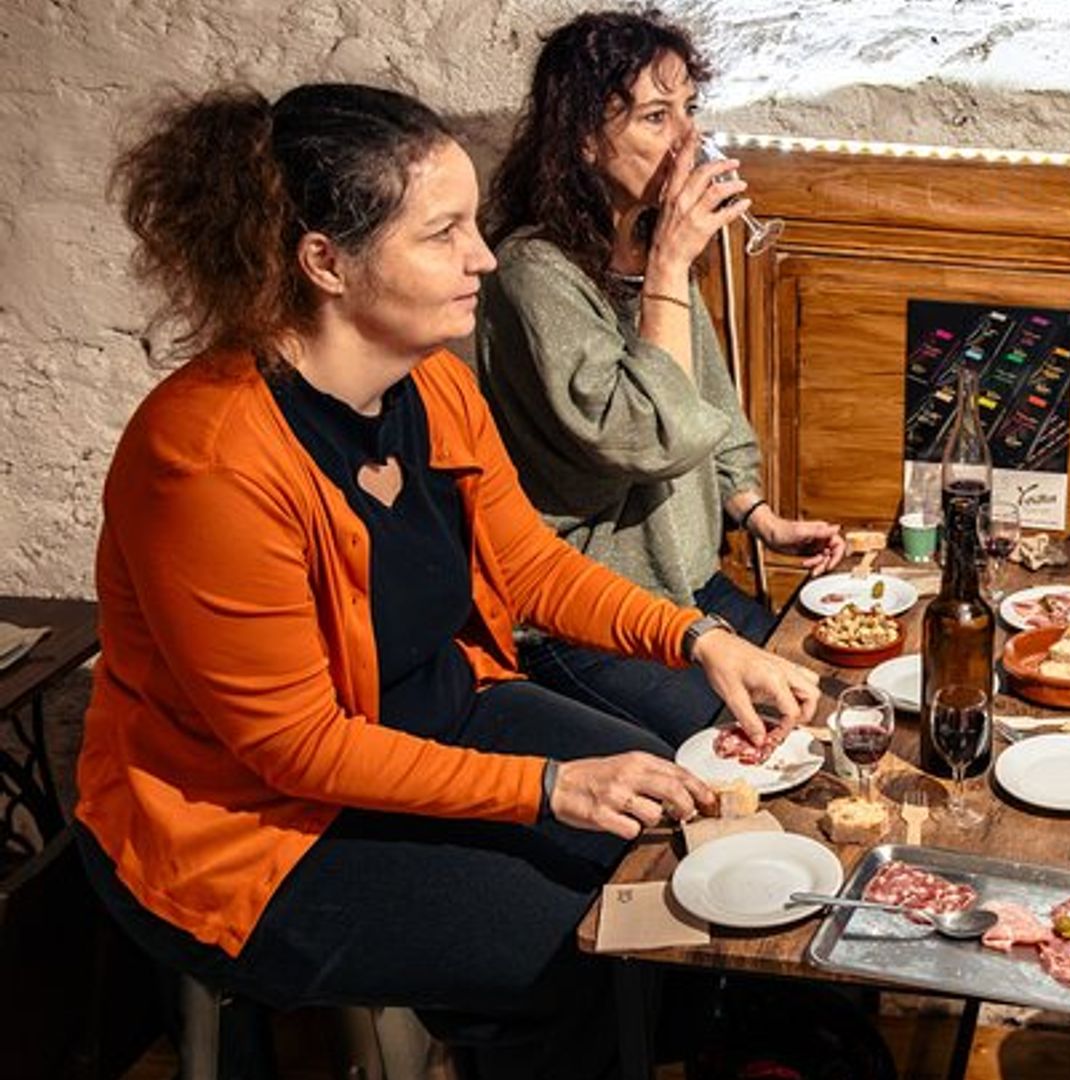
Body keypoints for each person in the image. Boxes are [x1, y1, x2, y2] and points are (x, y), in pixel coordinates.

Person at [76, 82, 820, 1077]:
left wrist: (698, 637)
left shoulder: (430, 381)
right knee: (572, 942)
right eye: (444, 233)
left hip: (428, 717)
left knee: (665, 819)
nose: (482, 255)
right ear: (325, 262)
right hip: (253, 825)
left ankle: (670, 1044)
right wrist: (545, 787)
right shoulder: (207, 460)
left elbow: (524, 563)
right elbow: (296, 749)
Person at [477, 9, 844, 748]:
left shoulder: (643, 247)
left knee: (831, 696)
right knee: (760, 745)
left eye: (689, 111)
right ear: (583, 139)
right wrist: (673, 266)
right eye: (654, 116)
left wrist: (755, 512)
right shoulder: (531, 273)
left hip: (686, 585)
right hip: (587, 613)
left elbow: (704, 395)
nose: (686, 141)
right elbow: (644, 437)